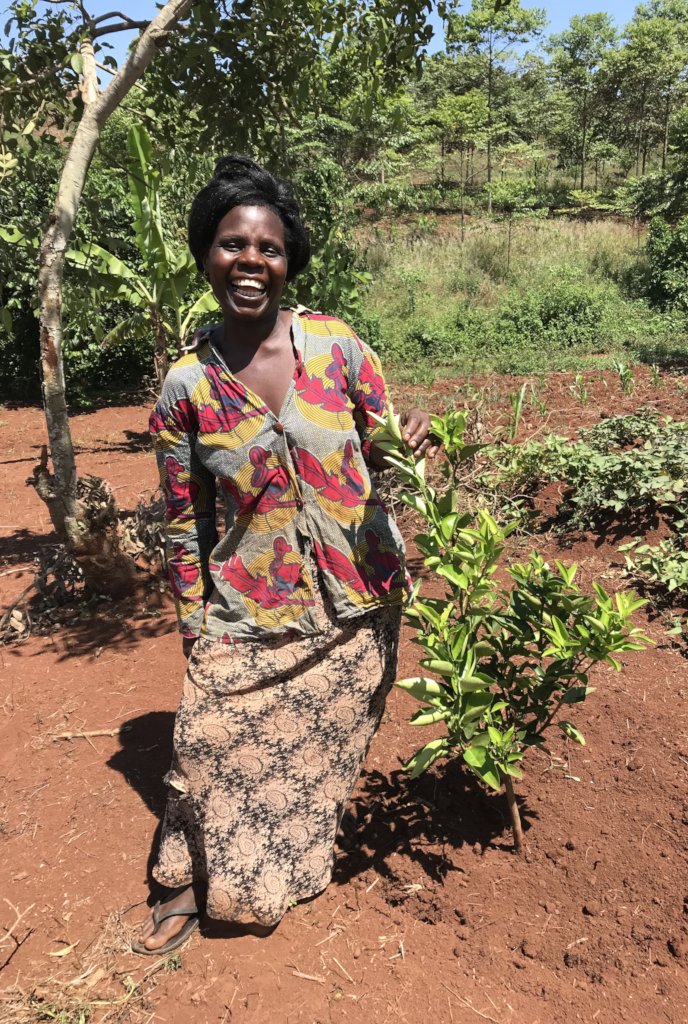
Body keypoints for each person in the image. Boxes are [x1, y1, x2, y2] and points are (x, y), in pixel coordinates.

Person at [133, 155, 437, 955]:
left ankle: (264, 876)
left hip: (358, 595)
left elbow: (382, 440)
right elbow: (180, 521)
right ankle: (183, 872)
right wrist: (194, 627)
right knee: (207, 738)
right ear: (207, 254)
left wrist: (411, 438)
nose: (250, 262)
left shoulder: (336, 348)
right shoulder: (185, 387)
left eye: (268, 248)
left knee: (323, 745)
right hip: (249, 604)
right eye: (233, 244)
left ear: (289, 259)